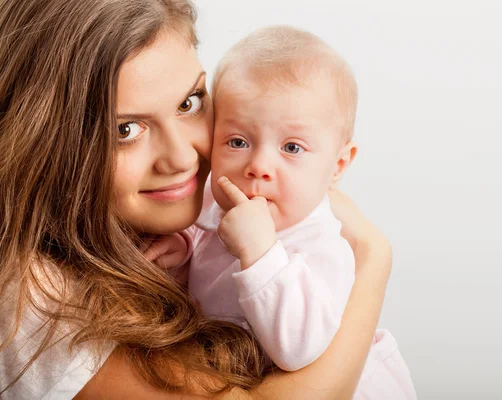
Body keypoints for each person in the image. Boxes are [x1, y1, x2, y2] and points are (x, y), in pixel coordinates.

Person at [0, 0, 395, 399]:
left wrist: (186, 248)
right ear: (41, 140)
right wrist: (374, 259)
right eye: (126, 129)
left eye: (188, 103)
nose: (184, 158)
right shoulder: (29, 293)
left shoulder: (189, 218)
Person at [147, 26, 417, 400]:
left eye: (291, 147)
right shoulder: (216, 197)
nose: (259, 165)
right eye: (238, 141)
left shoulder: (323, 244)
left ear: (338, 164)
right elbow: (206, 243)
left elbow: (297, 350)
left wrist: (260, 253)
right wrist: (184, 248)